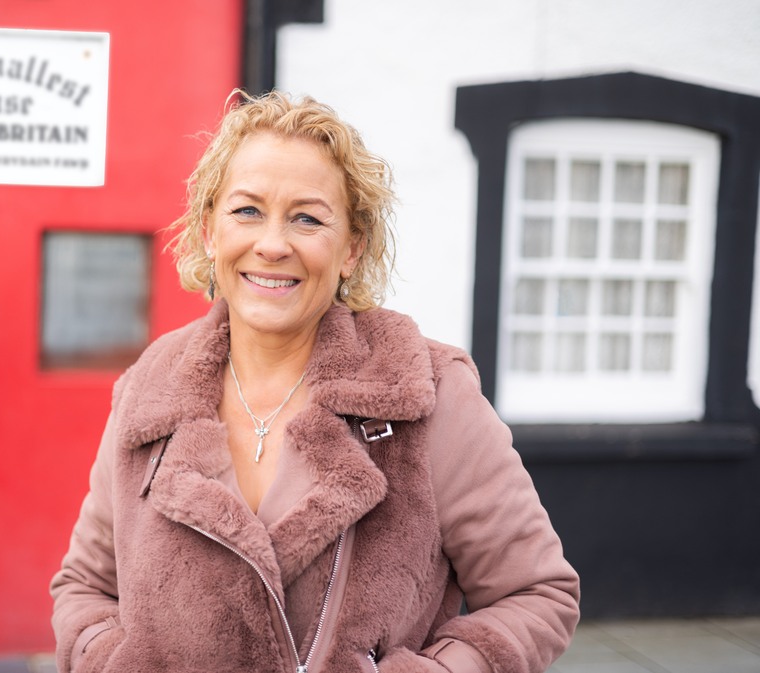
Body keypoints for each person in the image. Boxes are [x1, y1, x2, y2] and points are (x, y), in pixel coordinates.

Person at [50, 90, 579, 673]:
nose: (273, 244)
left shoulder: (428, 393)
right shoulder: (150, 389)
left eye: (307, 217)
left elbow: (537, 594)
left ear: (351, 247)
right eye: (247, 210)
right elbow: (85, 586)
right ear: (209, 232)